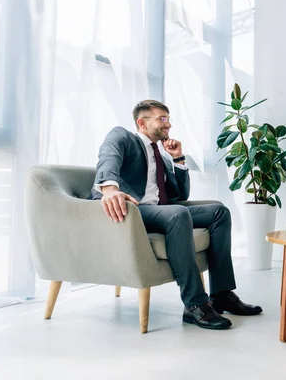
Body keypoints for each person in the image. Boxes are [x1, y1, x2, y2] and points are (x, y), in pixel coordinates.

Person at [92, 100, 262, 330]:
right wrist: (110, 188)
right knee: (178, 214)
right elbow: (108, 155)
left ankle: (221, 294)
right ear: (142, 123)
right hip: (133, 210)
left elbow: (180, 195)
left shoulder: (161, 154)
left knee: (219, 212)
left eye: (168, 119)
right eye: (161, 118)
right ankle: (195, 305)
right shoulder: (123, 137)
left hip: (161, 210)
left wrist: (178, 159)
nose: (168, 124)